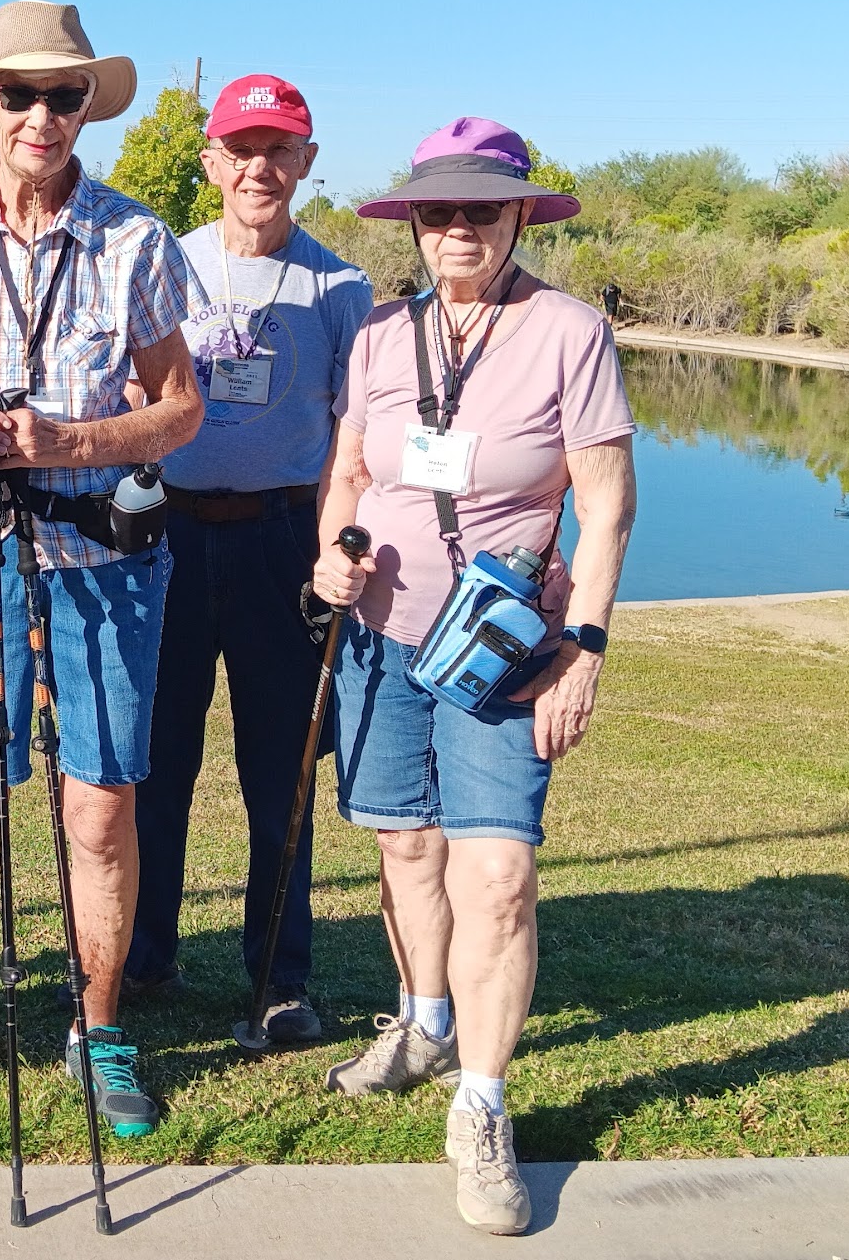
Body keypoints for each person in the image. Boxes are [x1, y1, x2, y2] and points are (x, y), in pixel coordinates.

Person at [309, 116, 636, 1236]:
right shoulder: (377, 335)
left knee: (495, 875)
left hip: (502, 647)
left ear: (515, 219)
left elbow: (603, 503)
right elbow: (349, 470)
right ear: (413, 223)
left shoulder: (566, 332)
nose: (457, 229)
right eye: (437, 211)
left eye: (479, 211)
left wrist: (582, 646)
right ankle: (420, 1020)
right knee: (405, 843)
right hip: (384, 633)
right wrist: (328, 550)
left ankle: (481, 1106)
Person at [0, 0, 203, 1138]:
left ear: (84, 109)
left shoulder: (137, 240)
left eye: (61, 95)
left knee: (100, 805)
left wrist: (71, 444)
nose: (39, 114)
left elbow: (180, 410)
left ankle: (99, 1025)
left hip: (103, 559)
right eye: (17, 94)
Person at [128, 74, 372, 1041]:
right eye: (241, 149)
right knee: (157, 765)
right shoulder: (164, 266)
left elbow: (355, 440)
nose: (258, 168)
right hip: (171, 537)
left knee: (282, 774)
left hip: (282, 547)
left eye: (279, 150)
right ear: (210, 163)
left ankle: (279, 980)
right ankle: (143, 957)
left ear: (305, 163)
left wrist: (333, 553)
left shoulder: (341, 288)